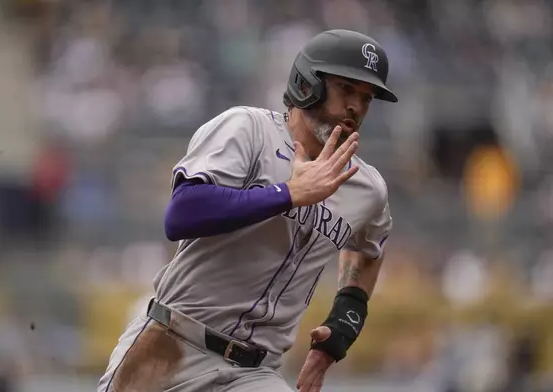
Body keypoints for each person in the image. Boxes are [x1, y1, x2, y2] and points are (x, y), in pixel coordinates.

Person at [97, 29, 398, 392]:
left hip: (255, 373)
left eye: (366, 98)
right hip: (172, 346)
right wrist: (287, 193)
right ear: (308, 84)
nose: (356, 106)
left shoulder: (366, 187)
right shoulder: (248, 130)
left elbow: (368, 248)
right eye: (346, 89)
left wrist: (343, 326)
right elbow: (182, 214)